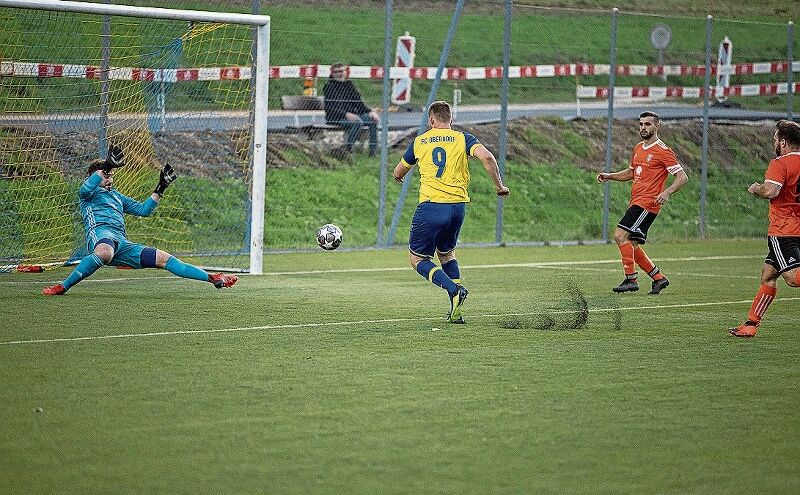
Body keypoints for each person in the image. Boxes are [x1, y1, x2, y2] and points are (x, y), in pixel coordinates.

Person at [42, 145, 238, 295]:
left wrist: (160, 187)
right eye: (106, 176)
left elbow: (144, 210)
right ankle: (63, 286)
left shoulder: (117, 196)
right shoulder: (88, 194)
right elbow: (84, 189)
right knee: (104, 252)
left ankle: (212, 278)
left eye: (111, 175)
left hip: (121, 244)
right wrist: (106, 165)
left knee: (165, 259)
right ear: (93, 176)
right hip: (101, 235)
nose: (109, 179)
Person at [392, 101, 509, 323]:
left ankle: (454, 290)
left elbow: (399, 171)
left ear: (431, 120)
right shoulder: (463, 138)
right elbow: (487, 157)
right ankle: (456, 312)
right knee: (446, 254)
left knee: (417, 259)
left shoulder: (420, 141)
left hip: (431, 206)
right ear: (451, 120)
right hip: (457, 208)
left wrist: (398, 176)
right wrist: (499, 187)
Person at [597, 111, 689, 294]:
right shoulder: (638, 148)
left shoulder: (663, 151)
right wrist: (610, 176)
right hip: (636, 201)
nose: (643, 128)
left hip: (648, 203)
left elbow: (682, 176)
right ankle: (658, 278)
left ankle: (631, 279)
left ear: (657, 126)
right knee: (630, 243)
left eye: (647, 124)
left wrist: (667, 192)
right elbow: (632, 172)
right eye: (641, 124)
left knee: (619, 235)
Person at [729, 120, 800, 338]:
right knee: (768, 274)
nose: (774, 144)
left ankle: (751, 324)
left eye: (775, 140)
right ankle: (751, 324)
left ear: (784, 142)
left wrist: (756, 188)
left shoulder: (780, 163)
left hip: (784, 231)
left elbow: (770, 191)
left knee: (794, 278)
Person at [322, 63, 379, 156]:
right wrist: (345, 114)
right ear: (332, 73)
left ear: (345, 72)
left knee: (373, 120)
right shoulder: (329, 87)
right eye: (336, 72)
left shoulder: (349, 85)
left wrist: (370, 112)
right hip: (336, 118)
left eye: (341, 71)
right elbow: (330, 108)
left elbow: (359, 103)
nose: (339, 74)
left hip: (353, 116)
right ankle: (347, 150)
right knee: (358, 122)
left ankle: (373, 153)